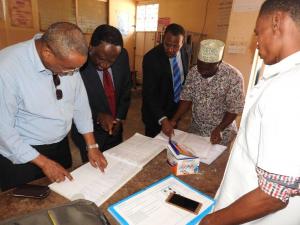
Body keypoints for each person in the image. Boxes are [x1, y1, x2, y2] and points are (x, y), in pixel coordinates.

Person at [199, 0, 300, 224]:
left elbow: (274, 194)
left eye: (258, 32)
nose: (256, 42)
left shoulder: (290, 86)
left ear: (277, 21)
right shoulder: (285, 78)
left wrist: (211, 221)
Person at [0, 22, 107, 191]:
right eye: (68, 69)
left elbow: (80, 104)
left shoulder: (68, 59)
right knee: (26, 211)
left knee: (62, 197)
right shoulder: (7, 68)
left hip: (60, 146)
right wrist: (44, 163)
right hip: (22, 156)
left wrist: (91, 146)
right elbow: (3, 131)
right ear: (47, 53)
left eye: (77, 69)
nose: (72, 73)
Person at [165, 39, 244, 146]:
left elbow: (234, 109)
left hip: (221, 132)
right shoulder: (194, 72)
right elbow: (186, 99)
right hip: (196, 129)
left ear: (219, 63)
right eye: (200, 66)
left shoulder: (233, 77)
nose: (202, 71)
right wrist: (174, 120)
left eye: (207, 69)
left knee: (214, 161)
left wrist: (220, 128)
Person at [71, 24, 131, 162]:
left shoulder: (122, 55)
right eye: (101, 58)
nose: (105, 65)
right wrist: (97, 116)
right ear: (90, 47)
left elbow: (125, 89)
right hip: (89, 133)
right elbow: (71, 103)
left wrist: (119, 119)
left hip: (115, 131)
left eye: (111, 60)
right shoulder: (77, 64)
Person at [142, 23, 189, 137]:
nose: (170, 50)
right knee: (153, 146)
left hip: (175, 111)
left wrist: (176, 116)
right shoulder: (151, 58)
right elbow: (149, 93)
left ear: (182, 43)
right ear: (163, 39)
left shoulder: (184, 52)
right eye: (167, 45)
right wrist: (163, 119)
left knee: (171, 145)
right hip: (156, 113)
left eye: (175, 46)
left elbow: (182, 78)